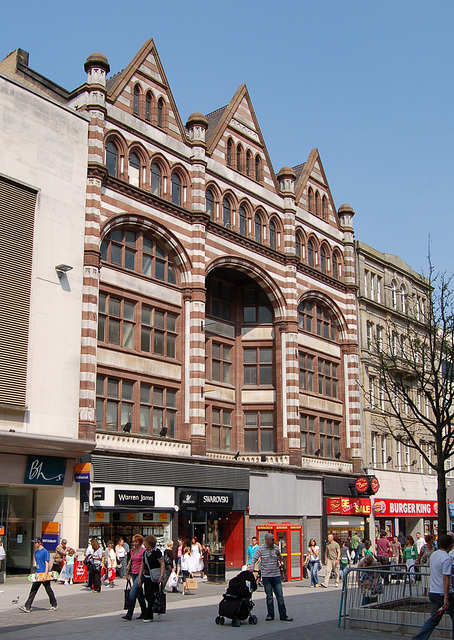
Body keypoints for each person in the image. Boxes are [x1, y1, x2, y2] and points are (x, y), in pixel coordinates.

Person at [411, 534, 454, 640]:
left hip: (433, 592)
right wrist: (446, 598)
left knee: (433, 619)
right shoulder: (447, 558)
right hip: (443, 593)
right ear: (450, 545)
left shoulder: (434, 555)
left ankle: (419, 638)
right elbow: (446, 579)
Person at [248, 532, 293, 622]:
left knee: (280, 596)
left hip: (276, 575)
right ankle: (270, 615)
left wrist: (278, 555)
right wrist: (252, 567)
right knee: (269, 596)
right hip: (266, 576)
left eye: (274, 539)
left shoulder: (276, 548)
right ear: (267, 540)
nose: (274, 541)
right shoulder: (261, 549)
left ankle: (283, 615)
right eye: (272, 539)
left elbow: (281, 559)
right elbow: (254, 558)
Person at [19, 537, 58, 613]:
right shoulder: (36, 552)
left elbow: (47, 564)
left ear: (39, 542)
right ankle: (27, 606)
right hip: (38, 574)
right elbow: (37, 564)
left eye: (35, 543)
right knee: (33, 590)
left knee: (48, 590)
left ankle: (54, 604)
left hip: (44, 574)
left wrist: (46, 575)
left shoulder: (45, 552)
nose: (34, 544)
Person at [138, 534, 165, 622]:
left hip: (155, 577)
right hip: (147, 576)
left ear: (149, 543)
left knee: (152, 595)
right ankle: (151, 610)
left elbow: (162, 564)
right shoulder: (145, 553)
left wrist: (161, 576)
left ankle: (149, 615)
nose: (144, 544)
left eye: (145, 543)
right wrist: (139, 577)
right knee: (146, 594)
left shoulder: (157, 552)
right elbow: (142, 565)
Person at [122, 533, 147, 621]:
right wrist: (127, 573)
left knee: (132, 593)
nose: (135, 544)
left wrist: (140, 577)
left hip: (141, 574)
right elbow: (130, 562)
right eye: (134, 542)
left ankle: (129, 614)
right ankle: (144, 612)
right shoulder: (132, 551)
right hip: (134, 573)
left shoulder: (143, 551)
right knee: (139, 594)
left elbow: (144, 564)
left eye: (136, 542)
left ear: (140, 542)